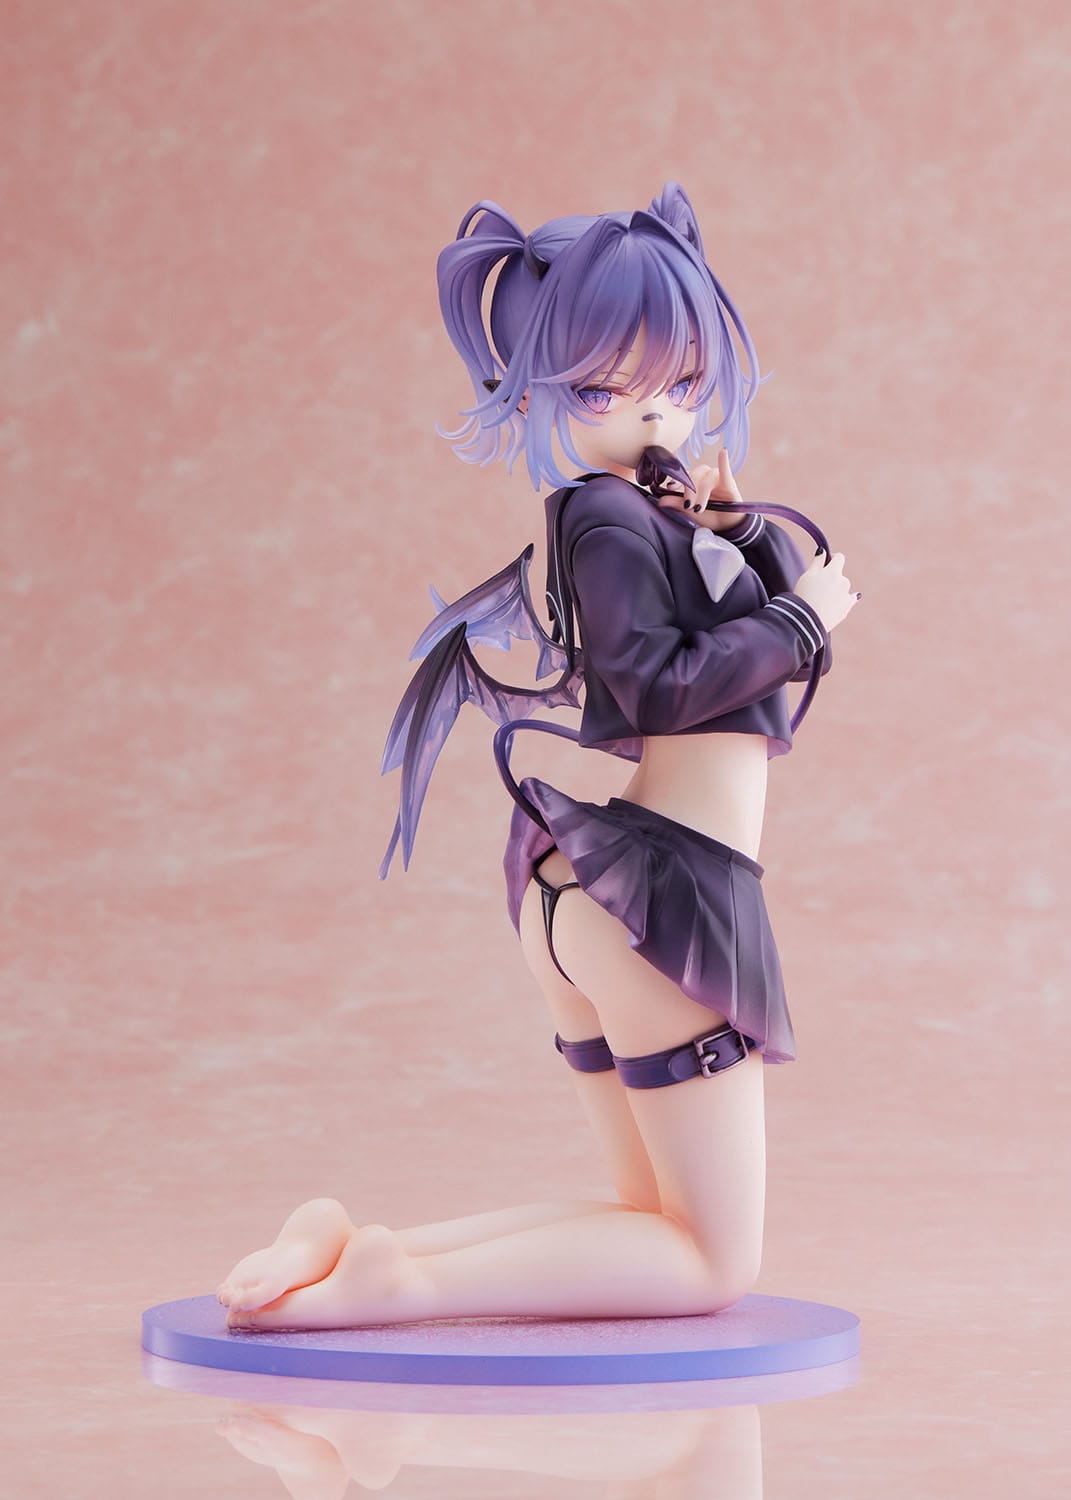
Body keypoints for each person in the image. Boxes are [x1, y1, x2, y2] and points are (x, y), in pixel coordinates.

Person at [217, 183, 859, 1331]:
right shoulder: (605, 519)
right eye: (612, 388)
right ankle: (402, 1289)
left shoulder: (625, 513)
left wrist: (740, 536)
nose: (658, 412)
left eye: (682, 383)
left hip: (605, 895)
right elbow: (660, 687)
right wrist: (800, 618)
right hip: (663, 902)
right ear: (548, 390)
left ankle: (360, 1252)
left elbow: (719, 648)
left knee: (648, 1218)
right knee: (712, 1261)